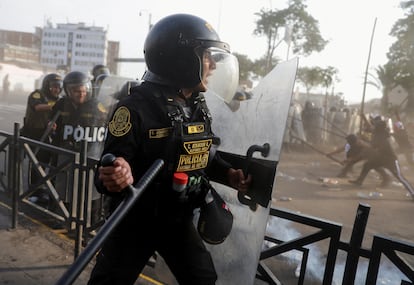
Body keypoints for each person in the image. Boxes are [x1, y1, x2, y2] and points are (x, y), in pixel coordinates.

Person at [88, 14, 251, 285]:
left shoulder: (197, 105)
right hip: (135, 221)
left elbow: (200, 153)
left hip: (177, 218)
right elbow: (108, 171)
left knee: (203, 279)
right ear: (181, 60)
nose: (211, 66)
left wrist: (228, 173)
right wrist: (117, 175)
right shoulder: (134, 108)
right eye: (205, 56)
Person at [50, 71, 108, 225]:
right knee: (65, 188)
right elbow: (54, 122)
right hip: (66, 155)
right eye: (76, 90)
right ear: (68, 91)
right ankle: (64, 219)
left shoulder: (97, 106)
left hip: (90, 155)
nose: (80, 94)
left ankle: (90, 227)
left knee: (91, 192)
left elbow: (105, 128)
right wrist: (53, 127)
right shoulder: (61, 104)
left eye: (83, 90)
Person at [21, 73, 63, 203]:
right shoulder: (37, 94)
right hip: (33, 133)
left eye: (58, 87)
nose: (56, 89)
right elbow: (38, 107)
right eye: (53, 87)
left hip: (47, 134)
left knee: (48, 161)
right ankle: (34, 191)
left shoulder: (57, 100)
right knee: (36, 162)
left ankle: (45, 190)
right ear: (47, 86)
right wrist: (58, 105)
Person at [349, 118, 414, 198]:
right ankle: (359, 181)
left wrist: (362, 143)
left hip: (390, 160)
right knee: (368, 165)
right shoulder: (378, 133)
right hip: (381, 158)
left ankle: (413, 193)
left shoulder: (382, 136)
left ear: (378, 128)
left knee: (400, 177)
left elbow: (372, 146)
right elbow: (370, 129)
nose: (374, 127)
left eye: (375, 126)